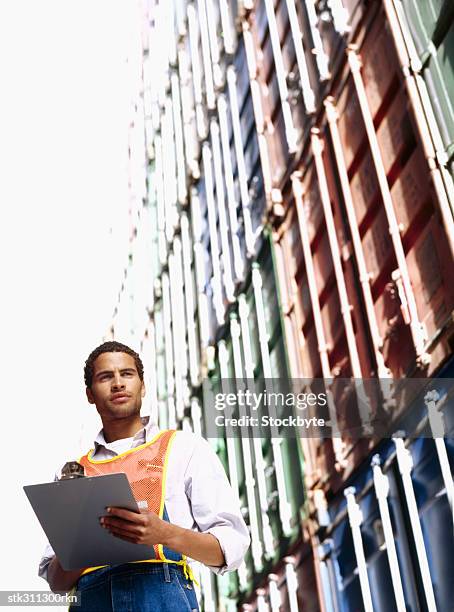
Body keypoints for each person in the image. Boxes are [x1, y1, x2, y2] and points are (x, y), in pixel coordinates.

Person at [38, 341, 250, 611]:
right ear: (90, 394)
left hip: (163, 597)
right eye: (106, 377)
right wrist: (85, 545)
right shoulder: (71, 474)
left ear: (142, 385)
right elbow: (57, 582)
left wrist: (164, 533)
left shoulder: (183, 448)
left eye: (127, 374)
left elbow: (230, 550)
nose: (118, 384)